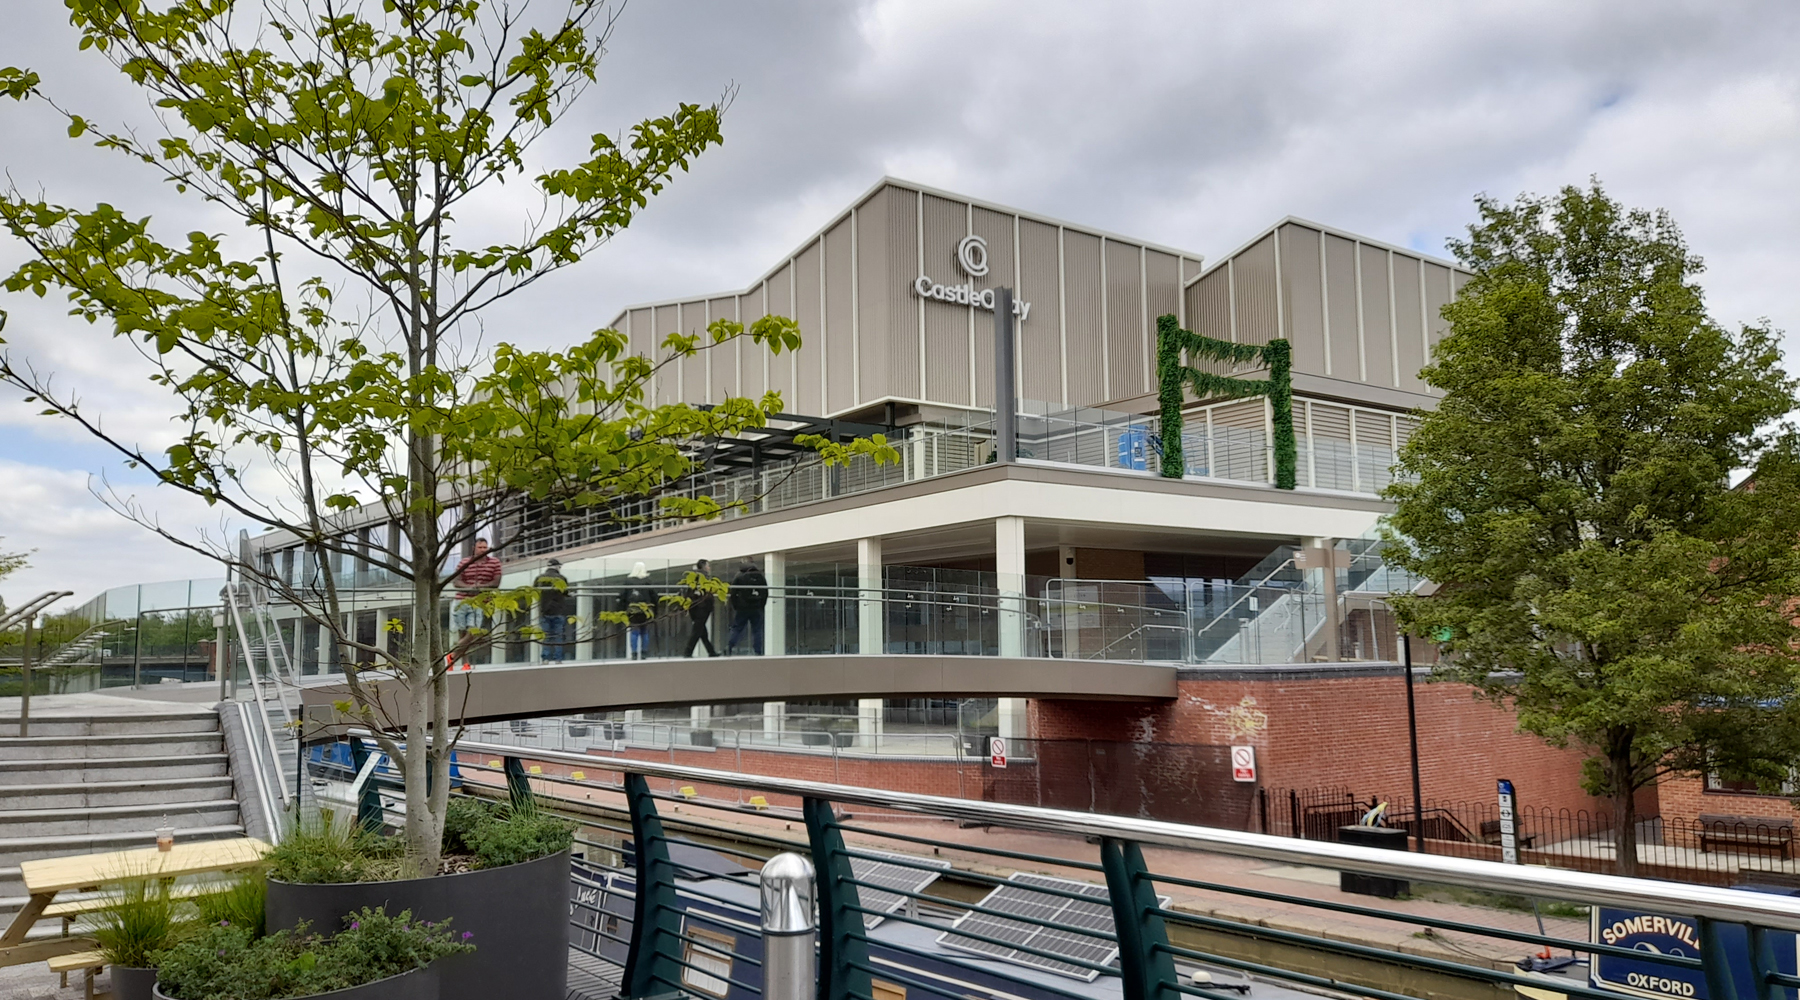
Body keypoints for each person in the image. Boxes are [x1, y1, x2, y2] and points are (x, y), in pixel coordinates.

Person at [450, 538, 502, 667]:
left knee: (473, 632)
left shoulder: (494, 562)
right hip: (462, 599)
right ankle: (465, 662)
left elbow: (496, 582)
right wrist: (469, 588)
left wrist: (481, 588)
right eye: (480, 547)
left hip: (481, 602)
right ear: (474, 548)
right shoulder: (465, 562)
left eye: (485, 547)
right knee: (462, 632)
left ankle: (453, 655)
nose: (483, 550)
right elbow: (456, 581)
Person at [534, 558, 575, 662]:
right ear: (557, 567)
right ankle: (558, 658)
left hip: (544, 610)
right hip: (558, 611)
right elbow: (565, 592)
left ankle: (545, 658)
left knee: (546, 636)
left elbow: (534, 592)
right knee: (558, 636)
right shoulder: (561, 578)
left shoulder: (539, 578)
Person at [726, 560, 768, 656]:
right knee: (757, 630)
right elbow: (765, 593)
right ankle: (758, 651)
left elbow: (733, 592)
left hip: (742, 608)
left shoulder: (739, 575)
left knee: (737, 628)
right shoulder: (760, 576)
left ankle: (729, 647)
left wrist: (736, 605)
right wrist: (761, 606)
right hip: (757, 607)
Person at [618, 562, 659, 660]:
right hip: (645, 609)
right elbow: (654, 596)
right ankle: (644, 653)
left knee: (634, 631)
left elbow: (622, 595)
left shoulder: (628, 581)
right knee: (644, 631)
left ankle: (634, 653)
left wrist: (622, 609)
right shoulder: (647, 581)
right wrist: (655, 610)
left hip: (632, 609)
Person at [682, 559, 720, 657]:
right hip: (702, 607)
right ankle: (688, 652)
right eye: (708, 566)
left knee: (702, 631)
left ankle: (711, 651)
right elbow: (707, 592)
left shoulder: (693, 577)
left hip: (694, 606)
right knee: (697, 630)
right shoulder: (704, 577)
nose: (709, 568)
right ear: (704, 566)